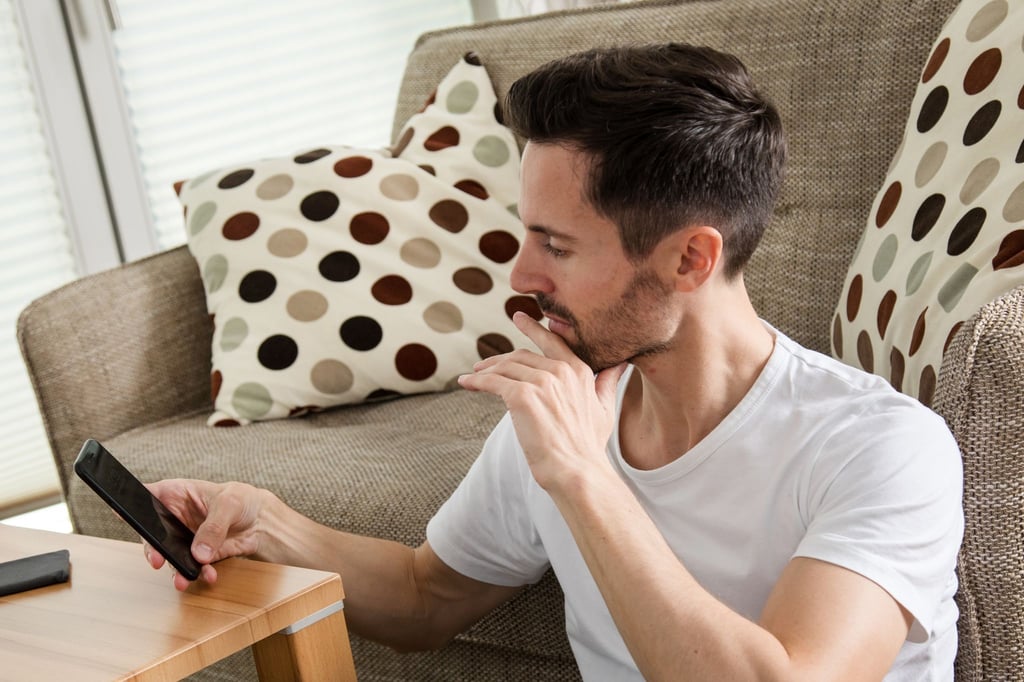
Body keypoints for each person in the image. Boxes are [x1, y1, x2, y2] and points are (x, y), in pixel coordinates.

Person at [144, 44, 963, 680]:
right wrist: (271, 525)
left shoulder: (883, 450)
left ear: (690, 260)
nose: (522, 278)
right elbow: (429, 598)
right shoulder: (569, 412)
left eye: (558, 246)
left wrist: (582, 476)